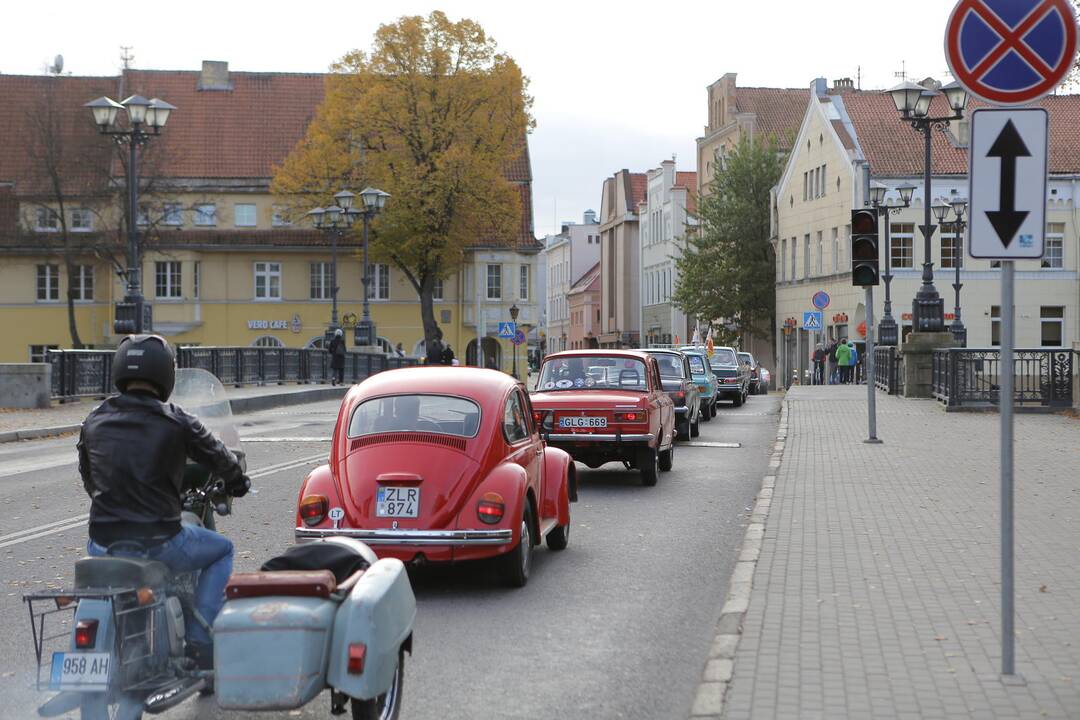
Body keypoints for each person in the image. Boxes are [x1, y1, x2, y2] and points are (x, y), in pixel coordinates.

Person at [78, 335, 250, 669]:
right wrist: (237, 481)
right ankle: (201, 640)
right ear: (166, 375)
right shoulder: (176, 420)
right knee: (222, 550)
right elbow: (219, 456)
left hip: (103, 542)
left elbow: (90, 478)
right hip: (160, 541)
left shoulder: (93, 420)